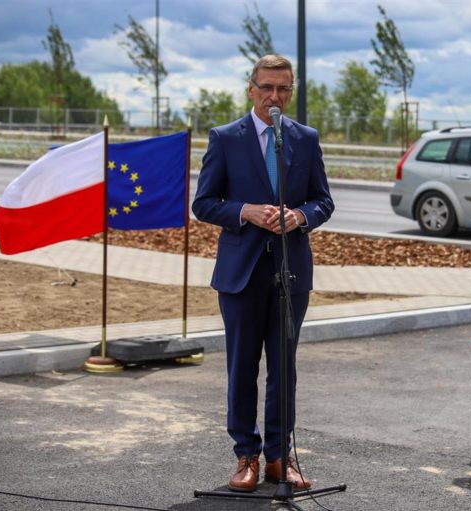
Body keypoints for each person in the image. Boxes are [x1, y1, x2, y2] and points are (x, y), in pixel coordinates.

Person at [192, 54, 334, 492]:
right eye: (267, 87)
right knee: (242, 368)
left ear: (291, 92)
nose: (275, 96)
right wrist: (245, 211)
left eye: (283, 88)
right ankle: (246, 455)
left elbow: (323, 201)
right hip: (242, 273)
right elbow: (203, 203)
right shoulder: (225, 138)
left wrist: (300, 216)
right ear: (251, 89)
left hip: (291, 272)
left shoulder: (305, 139)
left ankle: (278, 457)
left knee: (283, 370)